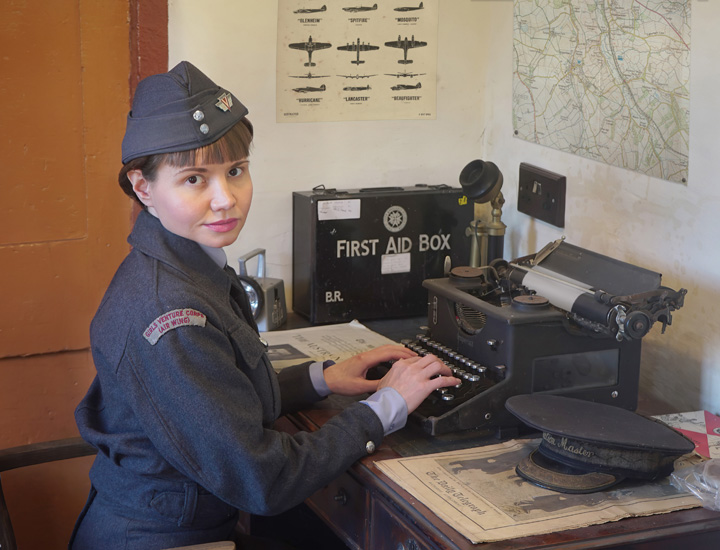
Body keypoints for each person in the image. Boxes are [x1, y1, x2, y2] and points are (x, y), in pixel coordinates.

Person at [69, 61, 459, 550]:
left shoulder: (182, 263)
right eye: (194, 179)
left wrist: (320, 378)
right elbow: (264, 480)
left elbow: (219, 391)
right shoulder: (169, 316)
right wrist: (388, 406)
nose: (225, 199)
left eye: (236, 171)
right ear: (144, 188)